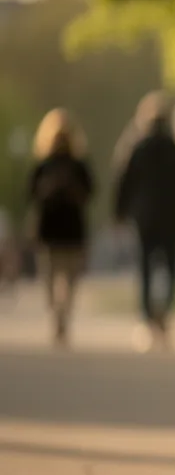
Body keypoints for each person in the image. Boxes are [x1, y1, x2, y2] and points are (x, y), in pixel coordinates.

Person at [115, 92, 175, 349]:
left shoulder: (137, 149)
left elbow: (124, 184)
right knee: (170, 268)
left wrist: (119, 213)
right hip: (172, 218)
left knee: (145, 268)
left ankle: (146, 319)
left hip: (145, 218)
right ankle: (165, 313)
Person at [27, 108, 94, 347]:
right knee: (60, 277)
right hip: (61, 229)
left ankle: (60, 315)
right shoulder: (47, 165)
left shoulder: (72, 165)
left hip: (58, 230)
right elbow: (32, 193)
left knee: (58, 277)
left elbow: (89, 192)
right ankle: (60, 314)